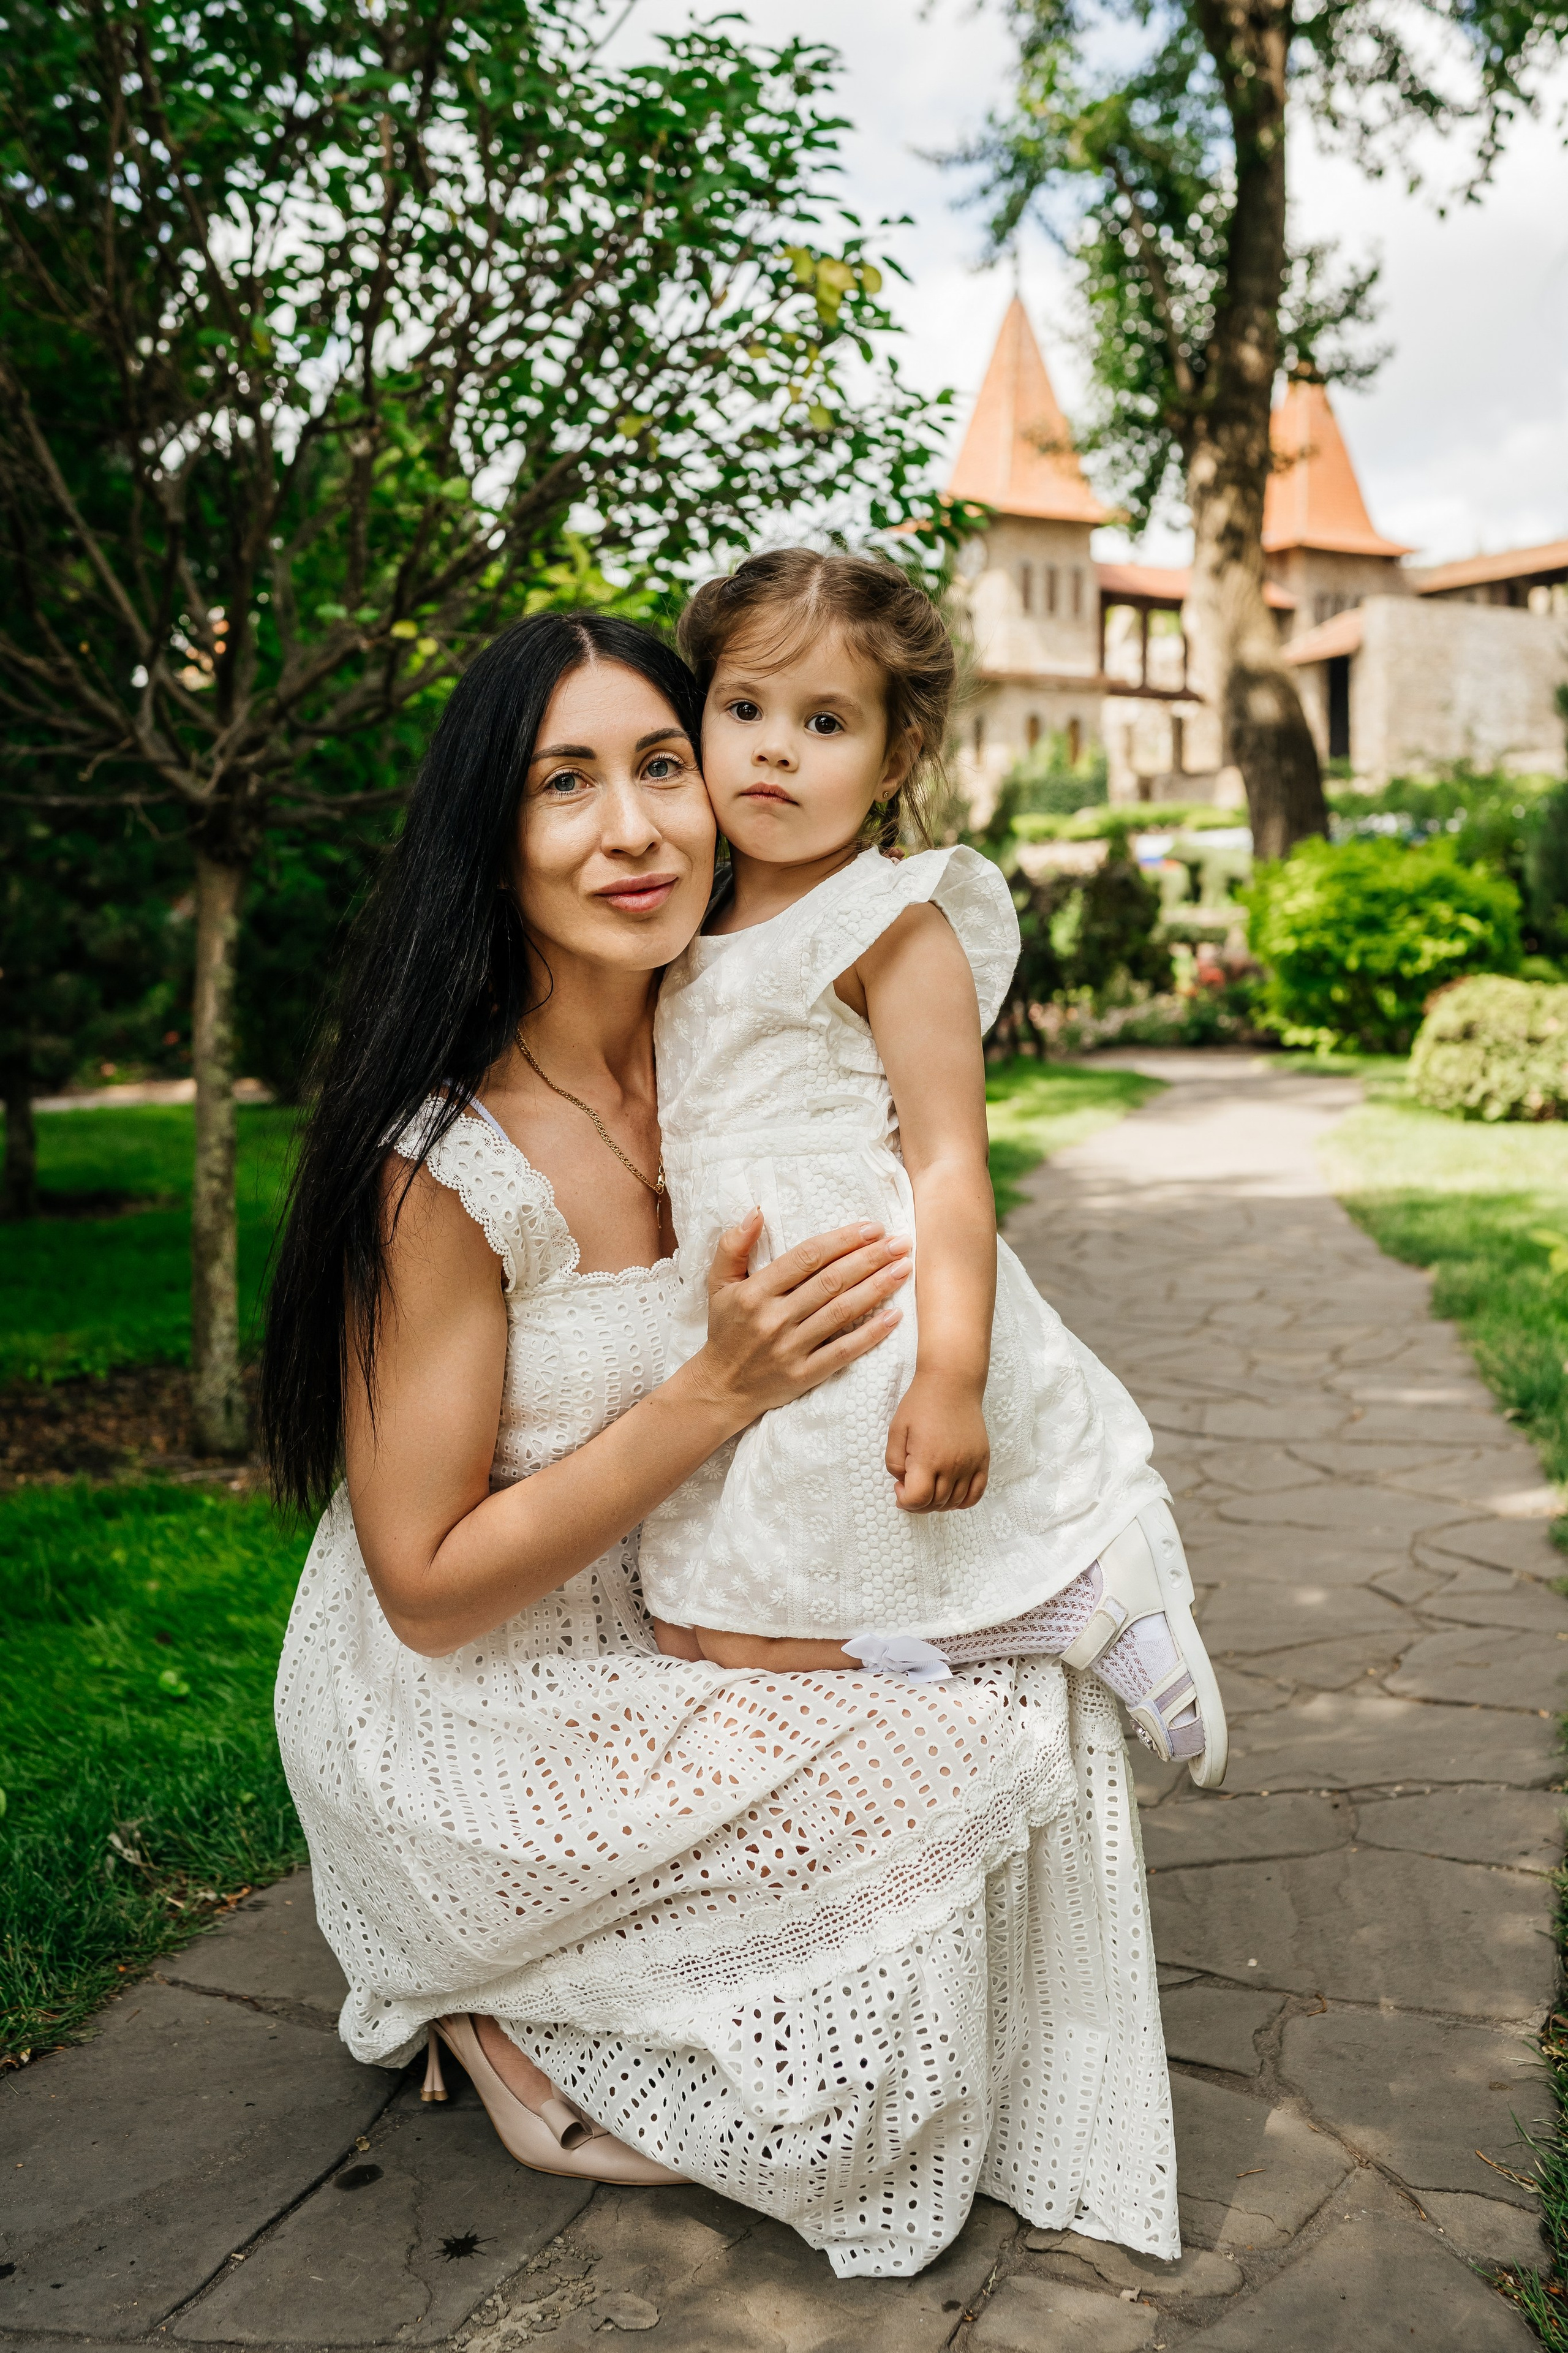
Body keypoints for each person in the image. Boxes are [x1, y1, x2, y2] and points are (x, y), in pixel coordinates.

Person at [263, 608, 1179, 2276]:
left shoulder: (732, 1036)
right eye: (566, 784)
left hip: (680, 1624)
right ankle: (488, 1994)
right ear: (493, 832)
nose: (635, 827)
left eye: (663, 765)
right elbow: (426, 1587)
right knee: (918, 1904)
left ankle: (626, 1983)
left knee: (1017, 1709)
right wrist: (714, 1394)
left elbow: (938, 1184)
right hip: (471, 1703)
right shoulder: (445, 1167)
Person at [641, 551, 1225, 1786]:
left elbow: (951, 1161)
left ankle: (1072, 1602)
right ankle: (987, 1651)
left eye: (824, 722)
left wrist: (950, 1372)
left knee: (749, 1633)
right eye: (741, 710)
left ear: (895, 761)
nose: (773, 751)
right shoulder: (673, 920)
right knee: (687, 1623)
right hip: (742, 1323)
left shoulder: (892, 924)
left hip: (862, 1307)